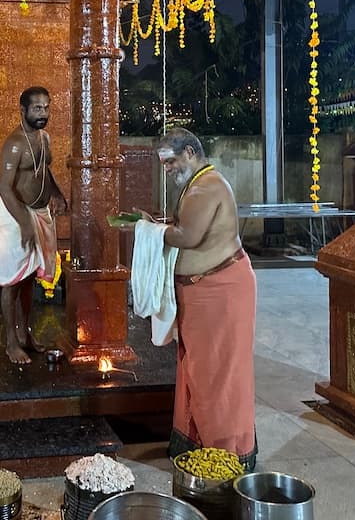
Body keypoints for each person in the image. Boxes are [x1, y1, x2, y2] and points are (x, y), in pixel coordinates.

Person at [136, 127, 257, 470]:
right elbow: (181, 224)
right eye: (164, 164)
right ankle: (199, 447)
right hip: (202, 293)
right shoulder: (196, 184)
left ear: (190, 152)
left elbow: (188, 236)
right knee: (197, 370)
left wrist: (148, 230)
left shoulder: (208, 186)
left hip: (221, 292)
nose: (167, 169)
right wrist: (156, 224)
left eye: (171, 162)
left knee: (219, 373)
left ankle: (226, 456)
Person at [0, 86, 67, 364]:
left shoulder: (44, 138)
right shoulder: (14, 144)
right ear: (23, 110)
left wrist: (57, 193)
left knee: (29, 278)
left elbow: (43, 169)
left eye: (46, 107)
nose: (43, 113)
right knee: (12, 281)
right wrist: (23, 223)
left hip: (39, 212)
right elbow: (5, 187)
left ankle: (25, 334)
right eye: (37, 108)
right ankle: (11, 342)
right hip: (15, 215)